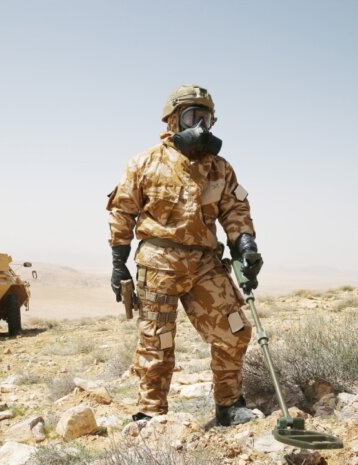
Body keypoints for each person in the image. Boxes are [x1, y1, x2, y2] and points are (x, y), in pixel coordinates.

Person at [106, 84, 263, 426]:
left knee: (234, 330)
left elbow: (236, 209)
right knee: (157, 341)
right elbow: (122, 211)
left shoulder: (220, 167)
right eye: (195, 116)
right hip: (159, 263)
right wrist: (119, 265)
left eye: (207, 117)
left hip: (205, 263)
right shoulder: (145, 162)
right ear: (174, 120)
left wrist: (246, 244)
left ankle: (229, 405)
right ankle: (151, 412)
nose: (202, 124)